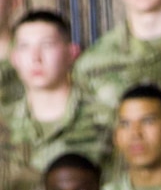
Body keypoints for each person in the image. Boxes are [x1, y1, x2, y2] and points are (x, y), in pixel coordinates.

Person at [4, 10, 110, 171]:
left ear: (72, 52)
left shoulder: (106, 118)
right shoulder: (4, 123)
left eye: (47, 45)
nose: (35, 58)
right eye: (24, 47)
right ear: (14, 58)